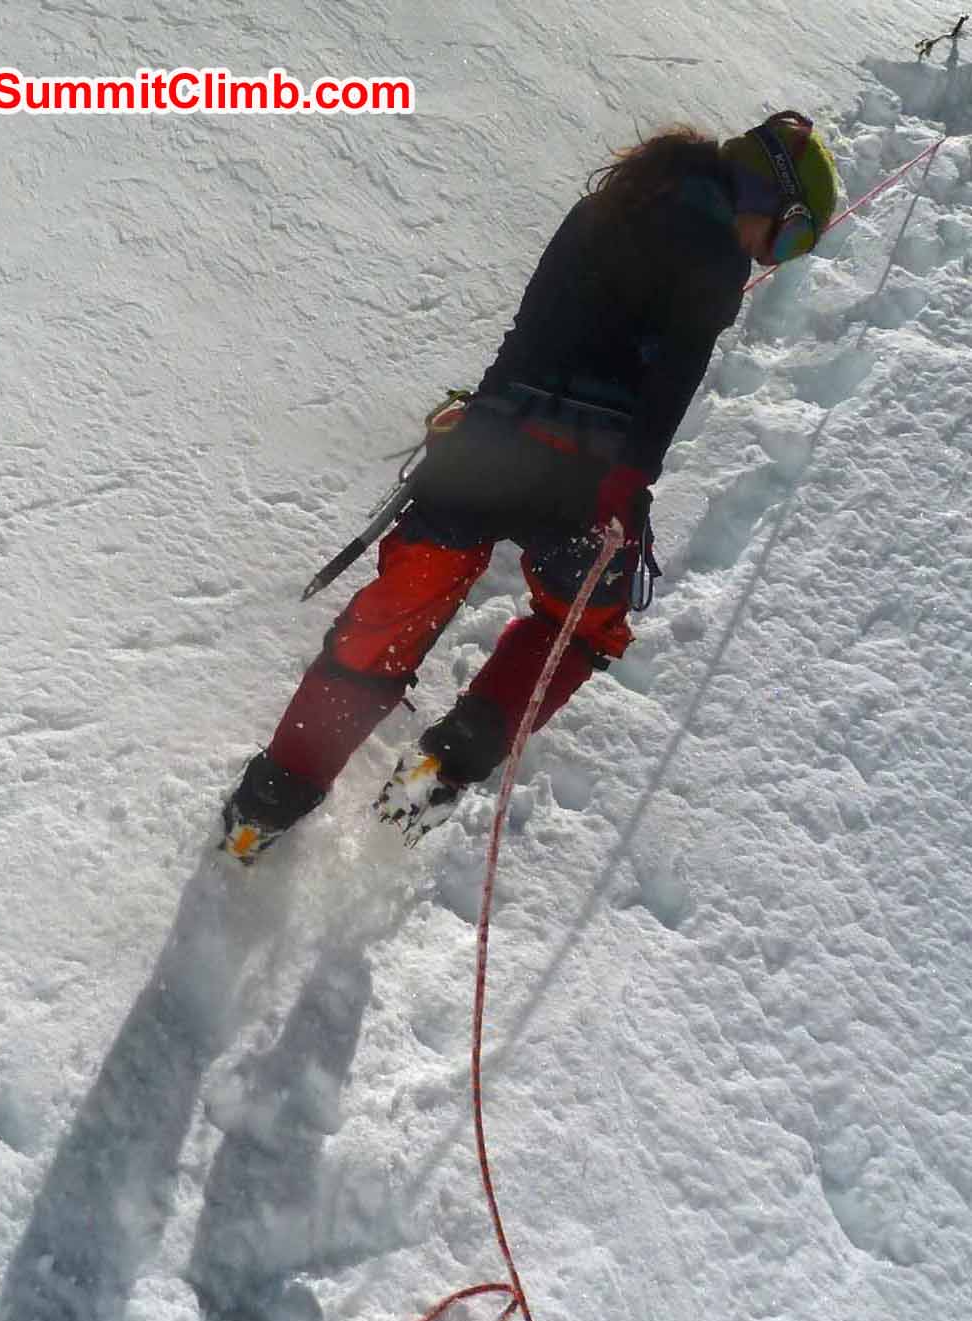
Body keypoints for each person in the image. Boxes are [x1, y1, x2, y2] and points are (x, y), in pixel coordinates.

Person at [222, 110, 839, 862]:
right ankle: (446, 763)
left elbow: (528, 330)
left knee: (391, 619)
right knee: (583, 626)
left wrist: (478, 415)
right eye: (791, 237)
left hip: (486, 444)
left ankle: (266, 805)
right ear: (769, 197)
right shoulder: (717, 254)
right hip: (580, 481)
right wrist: (629, 486)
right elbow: (669, 388)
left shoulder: (610, 203)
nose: (773, 253)